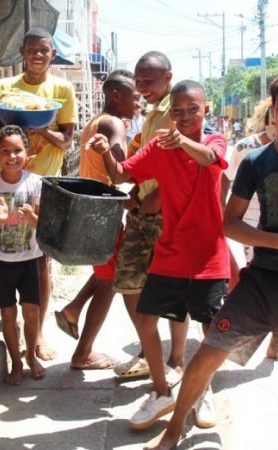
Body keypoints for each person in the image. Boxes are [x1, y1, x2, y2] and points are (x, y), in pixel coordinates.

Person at [146, 73, 278, 450]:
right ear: (272, 113)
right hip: (261, 280)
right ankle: (173, 430)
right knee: (210, 352)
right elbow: (231, 223)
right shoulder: (256, 161)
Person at [89, 79, 230, 431]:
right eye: (178, 111)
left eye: (192, 109)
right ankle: (162, 390)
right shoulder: (159, 146)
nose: (184, 116)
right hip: (169, 254)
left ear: (205, 108)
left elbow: (210, 159)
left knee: (211, 330)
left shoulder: (214, 140)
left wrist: (181, 140)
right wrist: (105, 150)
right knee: (148, 322)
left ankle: (203, 389)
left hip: (208, 256)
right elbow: (122, 174)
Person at [0, 27, 78, 361]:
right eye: (32, 50)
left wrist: (42, 131)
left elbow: (68, 141)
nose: (38, 55)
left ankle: (37, 336)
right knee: (6, 254)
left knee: (42, 263)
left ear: (52, 55)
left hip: (45, 185)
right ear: (21, 53)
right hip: (9, 185)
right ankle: (13, 327)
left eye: (44, 50)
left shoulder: (63, 89)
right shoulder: (4, 88)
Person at [109, 51, 189, 388]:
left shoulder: (177, 110)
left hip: (168, 213)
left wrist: (158, 196)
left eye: (149, 81)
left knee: (173, 289)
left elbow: (183, 159)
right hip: (143, 209)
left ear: (167, 78)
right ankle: (149, 349)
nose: (142, 88)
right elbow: (147, 160)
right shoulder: (151, 113)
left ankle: (177, 360)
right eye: (138, 82)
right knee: (128, 279)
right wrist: (140, 191)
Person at [54, 70, 139, 369]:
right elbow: (120, 168)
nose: (139, 102)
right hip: (103, 214)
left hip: (94, 210)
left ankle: (73, 311)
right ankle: (83, 352)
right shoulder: (114, 123)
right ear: (116, 95)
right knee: (114, 279)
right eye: (135, 96)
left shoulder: (95, 122)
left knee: (109, 277)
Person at [0, 125, 45, 384]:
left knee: (31, 313)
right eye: (6, 151)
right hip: (0, 263)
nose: (12, 156)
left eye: (18, 150)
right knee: (7, 315)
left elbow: (43, 225)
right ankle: (16, 362)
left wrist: (32, 217)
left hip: (29, 261)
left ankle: (30, 356)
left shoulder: (35, 183)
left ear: (27, 152)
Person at [220, 97, 278, 360]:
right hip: (250, 228)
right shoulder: (246, 148)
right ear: (267, 118)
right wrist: (220, 212)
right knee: (260, 281)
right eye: (277, 114)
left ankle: (276, 337)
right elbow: (226, 178)